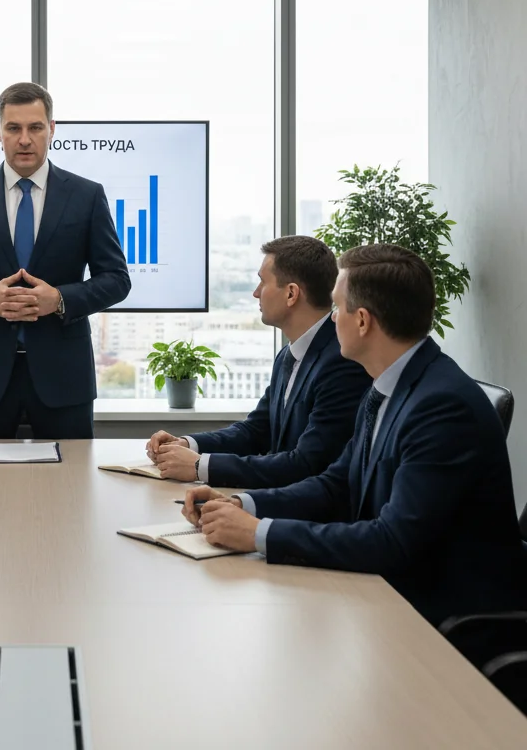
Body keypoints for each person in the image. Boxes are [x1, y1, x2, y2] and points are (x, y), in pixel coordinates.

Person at [183, 244, 527, 627]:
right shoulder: (386, 386)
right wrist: (241, 505)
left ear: (362, 321)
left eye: (336, 308)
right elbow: (336, 485)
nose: (330, 321)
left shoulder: (443, 406)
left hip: (447, 619)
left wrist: (259, 534)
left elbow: (393, 541)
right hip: (388, 596)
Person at [0, 82, 130, 439]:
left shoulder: (86, 195)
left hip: (64, 377)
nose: (24, 139)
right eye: (14, 128)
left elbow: (116, 279)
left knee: (71, 488)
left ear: (51, 129)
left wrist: (61, 299)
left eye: (35, 128)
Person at [146, 236, 369, 488]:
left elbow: (307, 464)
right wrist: (187, 444)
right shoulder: (288, 354)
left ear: (291, 293)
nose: (255, 292)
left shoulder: (341, 362)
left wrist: (200, 467)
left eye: (263, 281)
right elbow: (257, 430)